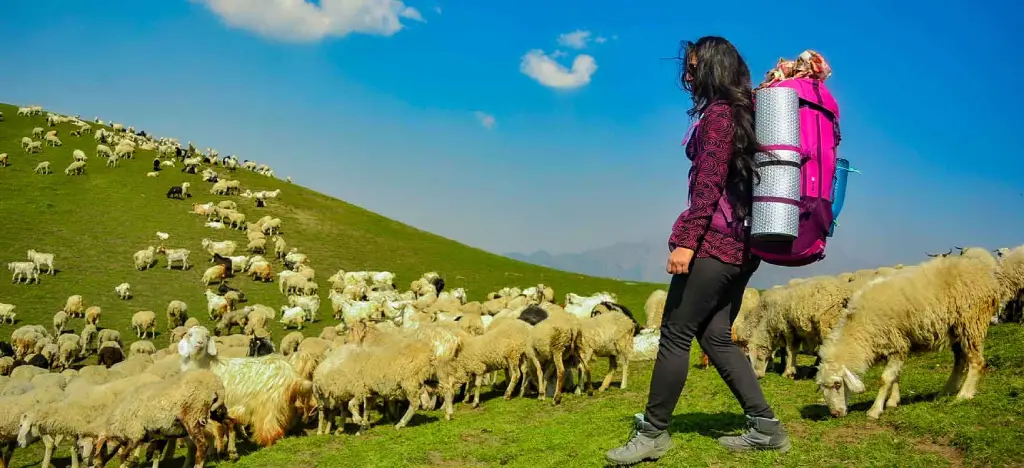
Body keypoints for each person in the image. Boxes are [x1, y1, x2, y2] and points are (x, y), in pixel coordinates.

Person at [604, 36, 791, 466]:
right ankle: (766, 426)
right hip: (747, 246)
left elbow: (708, 183)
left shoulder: (721, 116)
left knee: (674, 332)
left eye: (695, 67)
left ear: (714, 69)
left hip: (715, 244)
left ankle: (652, 434)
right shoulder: (746, 112)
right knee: (716, 336)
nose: (687, 75)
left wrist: (687, 239)